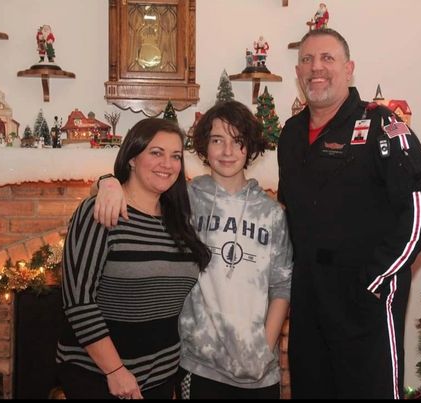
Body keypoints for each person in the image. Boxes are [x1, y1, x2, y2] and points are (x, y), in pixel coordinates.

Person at [277, 28, 421, 399]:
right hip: (308, 300)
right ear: (298, 72)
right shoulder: (289, 135)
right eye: (307, 60)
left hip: (365, 298)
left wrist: (377, 276)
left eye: (327, 58)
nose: (316, 68)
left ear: (349, 69)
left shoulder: (382, 125)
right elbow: (291, 214)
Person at [94, 101, 293, 399]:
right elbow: (136, 193)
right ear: (204, 146)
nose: (227, 151)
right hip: (199, 365)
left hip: (259, 372)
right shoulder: (182, 200)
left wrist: (264, 347)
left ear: (249, 147)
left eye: (237, 141)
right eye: (217, 140)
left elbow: (282, 286)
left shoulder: (271, 213)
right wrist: (106, 183)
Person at [56, 118, 211, 399]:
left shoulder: (178, 220)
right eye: (156, 152)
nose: (167, 164)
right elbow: (78, 302)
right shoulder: (102, 210)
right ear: (131, 158)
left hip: (161, 376)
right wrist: (115, 371)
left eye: (176, 156)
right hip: (101, 376)